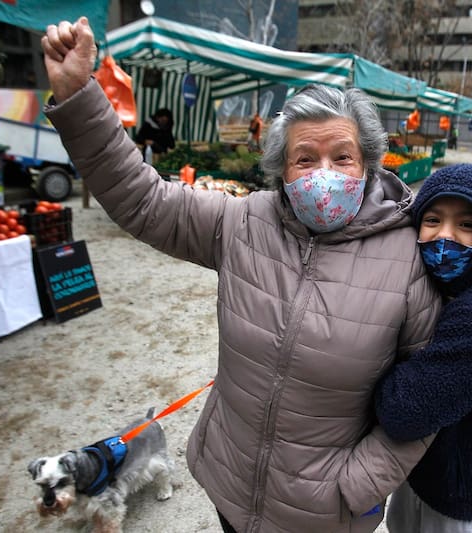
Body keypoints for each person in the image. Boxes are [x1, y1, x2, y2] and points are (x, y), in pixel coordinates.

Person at [41, 17, 441, 533]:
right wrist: (78, 97)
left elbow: (432, 393)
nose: (324, 174)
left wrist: (358, 484)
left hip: (324, 515)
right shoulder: (245, 222)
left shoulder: (409, 258)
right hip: (230, 484)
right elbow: (142, 199)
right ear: (281, 171)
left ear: (367, 164)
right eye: (305, 158)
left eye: (342, 157)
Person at [374, 163, 472, 533]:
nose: (445, 236)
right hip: (431, 473)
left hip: (458, 494)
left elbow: (403, 411)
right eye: (433, 220)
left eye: (467, 224)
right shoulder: (453, 290)